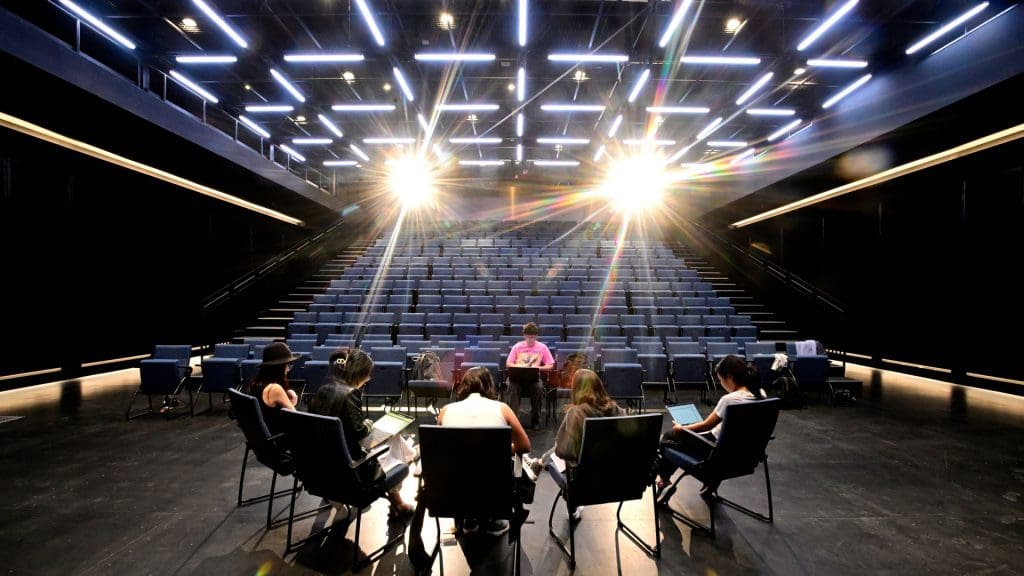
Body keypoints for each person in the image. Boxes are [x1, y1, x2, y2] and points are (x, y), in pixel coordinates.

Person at [308, 347, 414, 518]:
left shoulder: (324, 389)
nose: (368, 380)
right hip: (352, 473)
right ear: (360, 373)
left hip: (320, 468)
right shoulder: (349, 393)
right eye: (367, 375)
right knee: (394, 437)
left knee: (394, 439)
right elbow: (360, 432)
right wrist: (369, 423)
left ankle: (408, 463)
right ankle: (398, 501)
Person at [438, 366, 531, 536]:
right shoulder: (502, 408)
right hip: (494, 487)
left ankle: (469, 517)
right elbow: (524, 446)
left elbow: (440, 449)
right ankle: (493, 519)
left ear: (464, 386)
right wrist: (501, 448)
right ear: (489, 385)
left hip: (455, 488)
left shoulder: (445, 411)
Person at [656, 355, 764, 499]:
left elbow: (706, 425)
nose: (721, 384)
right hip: (745, 456)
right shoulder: (761, 394)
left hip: (715, 454)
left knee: (668, 438)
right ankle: (710, 486)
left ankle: (664, 480)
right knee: (678, 437)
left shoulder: (729, 399)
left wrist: (681, 429)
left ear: (729, 377)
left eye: (721, 380)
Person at [524, 369, 625, 520]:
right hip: (617, 477)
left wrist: (560, 444)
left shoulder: (576, 413)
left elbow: (563, 451)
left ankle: (572, 506)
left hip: (584, 481)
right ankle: (537, 463)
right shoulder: (617, 410)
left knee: (558, 453)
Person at [505, 322, 554, 430]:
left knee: (538, 388)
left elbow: (550, 365)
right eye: (528, 337)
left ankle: (535, 420)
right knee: (512, 387)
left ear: (536, 336)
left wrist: (538, 368)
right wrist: (519, 366)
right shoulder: (517, 347)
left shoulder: (542, 347)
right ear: (524, 335)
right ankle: (514, 421)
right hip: (517, 378)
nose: (530, 339)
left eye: (532, 337)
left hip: (533, 378)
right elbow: (508, 363)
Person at [245, 341, 301, 431]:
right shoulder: (274, 389)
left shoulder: (255, 383)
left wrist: (286, 392)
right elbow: (294, 417)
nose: (288, 369)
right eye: (287, 365)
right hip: (278, 435)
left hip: (263, 434)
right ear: (280, 367)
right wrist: (294, 400)